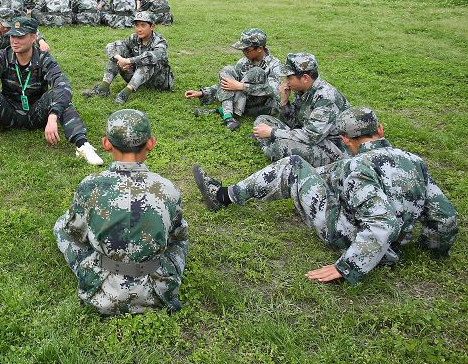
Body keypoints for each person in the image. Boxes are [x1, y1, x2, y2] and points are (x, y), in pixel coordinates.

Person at [193, 106, 458, 284]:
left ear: (345, 140)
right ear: (380, 130)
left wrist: (349, 267)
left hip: (359, 243)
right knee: (314, 174)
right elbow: (444, 216)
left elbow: (382, 222)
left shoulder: (356, 166)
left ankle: (224, 196)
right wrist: (434, 246)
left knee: (293, 166)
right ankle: (228, 194)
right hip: (397, 241)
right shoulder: (414, 160)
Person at [54, 109, 188, 314]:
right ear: (151, 143)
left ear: (106, 143)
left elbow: (74, 231)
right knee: (180, 239)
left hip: (101, 292)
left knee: (62, 227)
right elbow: (177, 235)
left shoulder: (90, 185)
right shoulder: (168, 188)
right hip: (157, 290)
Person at [0, 16, 103, 166]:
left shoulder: (44, 59)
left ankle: (82, 146)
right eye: (12, 36)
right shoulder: (3, 56)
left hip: (37, 113)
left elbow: (63, 85)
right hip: (8, 112)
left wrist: (53, 116)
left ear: (34, 37)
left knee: (62, 99)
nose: (14, 41)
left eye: (20, 36)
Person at [252, 52, 350, 167]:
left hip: (330, 147)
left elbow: (311, 136)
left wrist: (273, 132)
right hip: (307, 135)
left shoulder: (326, 98)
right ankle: (271, 146)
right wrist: (284, 102)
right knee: (262, 121)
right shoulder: (302, 90)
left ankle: (269, 147)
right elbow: (294, 123)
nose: (286, 81)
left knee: (281, 146)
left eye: (289, 77)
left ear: (305, 78)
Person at [185, 28, 283, 131]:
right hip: (245, 100)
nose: (243, 52)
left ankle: (221, 111)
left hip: (263, 105)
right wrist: (202, 93)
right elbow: (230, 84)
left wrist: (242, 86)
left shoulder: (274, 64)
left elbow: (274, 91)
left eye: (246, 49)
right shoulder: (244, 61)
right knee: (228, 70)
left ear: (259, 49)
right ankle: (228, 117)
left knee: (256, 72)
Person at [83, 12, 174, 105]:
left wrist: (128, 61)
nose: (139, 29)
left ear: (152, 26)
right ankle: (103, 88)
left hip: (159, 81)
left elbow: (152, 56)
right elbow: (111, 46)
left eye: (143, 25)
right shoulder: (134, 38)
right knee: (116, 55)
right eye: (137, 25)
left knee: (147, 61)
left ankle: (124, 94)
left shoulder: (160, 41)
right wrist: (120, 59)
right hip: (138, 78)